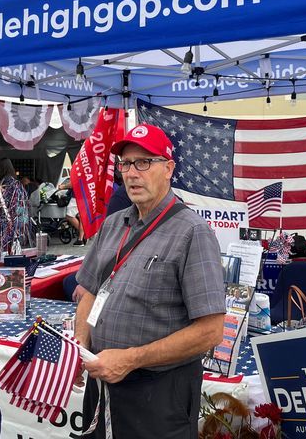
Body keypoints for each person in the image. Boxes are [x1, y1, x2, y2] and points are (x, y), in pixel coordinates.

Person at [75, 124, 225, 438]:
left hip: (157, 394)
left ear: (169, 168)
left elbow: (210, 332)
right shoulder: (114, 223)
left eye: (144, 162)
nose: (132, 173)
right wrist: (81, 346)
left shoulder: (192, 233)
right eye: (126, 164)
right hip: (102, 383)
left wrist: (130, 359)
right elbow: (88, 291)